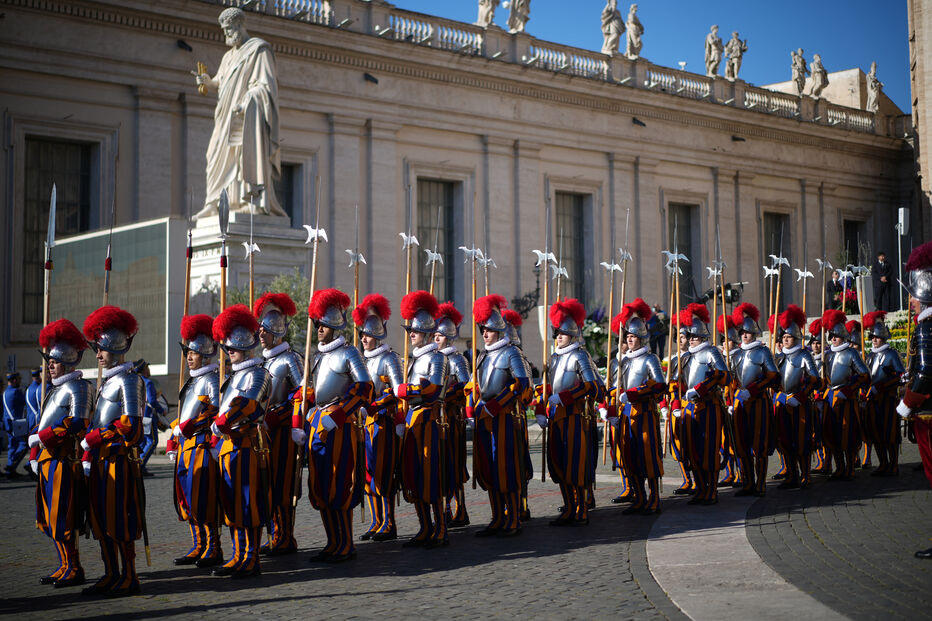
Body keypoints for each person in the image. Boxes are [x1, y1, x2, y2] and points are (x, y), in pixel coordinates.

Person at [295, 289, 372, 562]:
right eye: (317, 324)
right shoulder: (317, 356)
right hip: (318, 422)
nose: (319, 329)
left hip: (340, 425)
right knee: (321, 485)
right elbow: (316, 391)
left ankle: (346, 544)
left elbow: (365, 389)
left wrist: (339, 416)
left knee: (340, 485)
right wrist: (305, 405)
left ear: (336, 326)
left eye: (324, 325)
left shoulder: (350, 352)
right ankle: (331, 542)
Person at [79, 305, 145, 596]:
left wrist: (98, 437)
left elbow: (132, 427)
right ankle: (111, 572)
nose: (97, 355)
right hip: (100, 463)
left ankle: (129, 576)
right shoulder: (106, 383)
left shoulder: (130, 380)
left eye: (101, 349)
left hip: (119, 462)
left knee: (120, 520)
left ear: (116, 348)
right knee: (100, 521)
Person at [195, 7, 283, 217]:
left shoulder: (259, 50)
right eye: (224, 30)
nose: (226, 33)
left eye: (229, 29)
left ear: (240, 25)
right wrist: (209, 82)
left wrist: (247, 103)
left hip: (246, 116)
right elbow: (222, 81)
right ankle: (214, 202)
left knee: (245, 154)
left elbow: (265, 86)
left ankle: (251, 200)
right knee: (213, 153)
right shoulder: (228, 56)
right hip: (225, 116)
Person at [209, 304, 271, 578]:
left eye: (232, 346)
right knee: (231, 502)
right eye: (227, 346)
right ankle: (237, 554)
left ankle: (251, 557)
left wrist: (223, 421)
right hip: (228, 446)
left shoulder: (259, 373)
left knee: (248, 503)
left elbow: (249, 405)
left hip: (247, 445)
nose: (229, 350)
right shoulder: (233, 376)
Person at [31, 319, 92, 588]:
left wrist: (43, 437)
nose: (49, 366)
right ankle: (64, 564)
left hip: (64, 461)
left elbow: (77, 424)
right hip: (47, 461)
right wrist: (34, 453)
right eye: (49, 362)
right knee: (49, 518)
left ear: (67, 362)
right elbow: (42, 423)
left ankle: (74, 567)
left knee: (64, 518)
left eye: (54, 362)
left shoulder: (79, 387)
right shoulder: (53, 389)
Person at [536, 298, 603, 525]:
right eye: (557, 333)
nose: (558, 337)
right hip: (556, 417)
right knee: (558, 463)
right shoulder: (553, 358)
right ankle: (569, 507)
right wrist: (541, 409)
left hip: (575, 416)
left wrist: (565, 397)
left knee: (576, 464)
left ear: (573, 335)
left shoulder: (580, 355)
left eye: (563, 333)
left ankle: (581, 508)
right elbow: (546, 387)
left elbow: (591, 386)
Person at [468, 295, 530, 536]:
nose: (485, 333)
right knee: (489, 468)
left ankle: (513, 518)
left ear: (499, 331)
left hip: (504, 417)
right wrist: (474, 406)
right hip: (484, 417)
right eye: (483, 329)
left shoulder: (511, 352)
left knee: (506, 469)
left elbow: (521, 384)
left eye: (490, 330)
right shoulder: (482, 356)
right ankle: (497, 517)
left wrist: (497, 405)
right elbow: (478, 385)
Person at [167, 314, 223, 568]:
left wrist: (189, 426)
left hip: (201, 444)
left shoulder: (212, 380)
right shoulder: (191, 381)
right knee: (186, 497)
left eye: (193, 353)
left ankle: (213, 546)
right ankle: (198, 544)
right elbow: (183, 415)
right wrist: (175, 435)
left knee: (203, 497)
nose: (189, 357)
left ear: (206, 354)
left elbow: (215, 412)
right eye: (187, 352)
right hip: (185, 446)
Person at [253, 292, 303, 556]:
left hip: (283, 433)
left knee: (283, 485)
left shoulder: (290, 359)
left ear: (278, 332)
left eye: (266, 330)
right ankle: (274, 534)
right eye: (260, 330)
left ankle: (285, 536)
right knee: (267, 483)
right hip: (264, 434)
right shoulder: (263, 361)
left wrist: (278, 417)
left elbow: (302, 395)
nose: (261, 334)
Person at [397, 290, 447, 547]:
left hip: (429, 420)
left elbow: (434, 389)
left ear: (427, 332)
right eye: (409, 330)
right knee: (414, 474)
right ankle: (424, 527)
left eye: (415, 330)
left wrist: (407, 390)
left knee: (430, 474)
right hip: (412, 419)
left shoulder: (437, 358)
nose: (411, 334)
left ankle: (440, 528)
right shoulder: (413, 359)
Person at [606, 298, 666, 514]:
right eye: (627, 336)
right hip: (625, 415)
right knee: (630, 456)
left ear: (641, 337)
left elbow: (659, 386)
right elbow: (613, 388)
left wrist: (634, 394)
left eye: (633, 336)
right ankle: (639, 498)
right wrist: (610, 407)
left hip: (644, 414)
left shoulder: (650, 359)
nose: (629, 340)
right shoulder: (621, 361)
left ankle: (654, 498)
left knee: (648, 457)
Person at [354, 293, 404, 541]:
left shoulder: (389, 358)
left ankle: (389, 522)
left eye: (367, 334)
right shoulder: (360, 359)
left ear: (378, 335)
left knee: (384, 473)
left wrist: (374, 406)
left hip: (382, 423)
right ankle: (376, 521)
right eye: (361, 334)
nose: (363, 338)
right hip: (363, 424)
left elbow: (397, 392)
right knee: (367, 474)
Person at [895, 240, 932, 558]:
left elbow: (926, 370)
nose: (910, 301)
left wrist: (906, 403)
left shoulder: (927, 328)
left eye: (913, 296)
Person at [674, 303, 728, 505]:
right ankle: (700, 488)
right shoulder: (686, 357)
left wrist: (702, 388)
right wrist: (675, 402)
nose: (691, 340)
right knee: (692, 449)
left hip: (709, 406)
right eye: (689, 336)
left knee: (708, 448)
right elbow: (678, 383)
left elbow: (724, 376)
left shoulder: (711, 352)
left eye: (695, 337)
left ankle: (712, 490)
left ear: (703, 336)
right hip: (689, 408)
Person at [731, 303, 780, 496]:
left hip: (758, 401)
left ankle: (760, 484)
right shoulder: (736, 354)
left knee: (759, 444)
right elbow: (733, 379)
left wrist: (753, 389)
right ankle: (747, 482)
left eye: (748, 332)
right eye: (742, 332)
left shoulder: (763, 351)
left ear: (754, 333)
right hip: (740, 402)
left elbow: (773, 376)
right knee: (742, 444)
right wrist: (733, 394)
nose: (745, 335)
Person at [773, 305, 820, 489]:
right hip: (783, 404)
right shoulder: (778, 358)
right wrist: (778, 395)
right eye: (783, 337)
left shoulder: (804, 355)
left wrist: (800, 396)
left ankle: (805, 475)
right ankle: (791, 475)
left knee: (802, 441)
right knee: (785, 440)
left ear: (796, 338)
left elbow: (815, 380)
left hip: (800, 404)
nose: (785, 339)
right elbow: (774, 381)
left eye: (789, 336)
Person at [820, 309, 870, 480]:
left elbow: (864, 375)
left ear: (843, 336)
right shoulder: (827, 354)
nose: (833, 338)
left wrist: (849, 390)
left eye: (836, 335)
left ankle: (850, 468)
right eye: (831, 336)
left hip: (847, 399)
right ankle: (839, 467)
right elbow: (826, 378)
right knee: (832, 434)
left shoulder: (851, 353)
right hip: (830, 398)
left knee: (847, 434)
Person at [862, 311, 905, 476]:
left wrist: (883, 386)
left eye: (877, 337)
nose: (874, 340)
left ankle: (893, 464)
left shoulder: (892, 354)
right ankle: (882, 463)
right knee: (875, 432)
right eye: (872, 337)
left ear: (883, 338)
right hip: (872, 399)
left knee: (890, 433)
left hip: (888, 399)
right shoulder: (870, 356)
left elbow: (901, 376)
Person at [502, 307, 534, 522]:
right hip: (498, 416)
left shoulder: (519, 360)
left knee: (519, 462)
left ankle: (522, 504)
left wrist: (514, 395)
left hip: (515, 415)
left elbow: (527, 391)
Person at [135, 361, 164, 475]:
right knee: (152, 441)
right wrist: (161, 410)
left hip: (139, 415)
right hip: (148, 416)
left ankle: (139, 466)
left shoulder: (136, 381)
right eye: (147, 368)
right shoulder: (148, 382)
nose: (149, 370)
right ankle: (140, 465)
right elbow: (152, 401)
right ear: (144, 370)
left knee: (143, 442)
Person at [2, 371, 27, 476]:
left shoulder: (5, 392)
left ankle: (10, 470)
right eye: (19, 380)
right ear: (15, 380)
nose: (20, 381)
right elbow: (25, 402)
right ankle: (11, 465)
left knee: (12, 446)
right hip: (16, 423)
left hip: (8, 423)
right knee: (23, 445)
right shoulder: (16, 391)